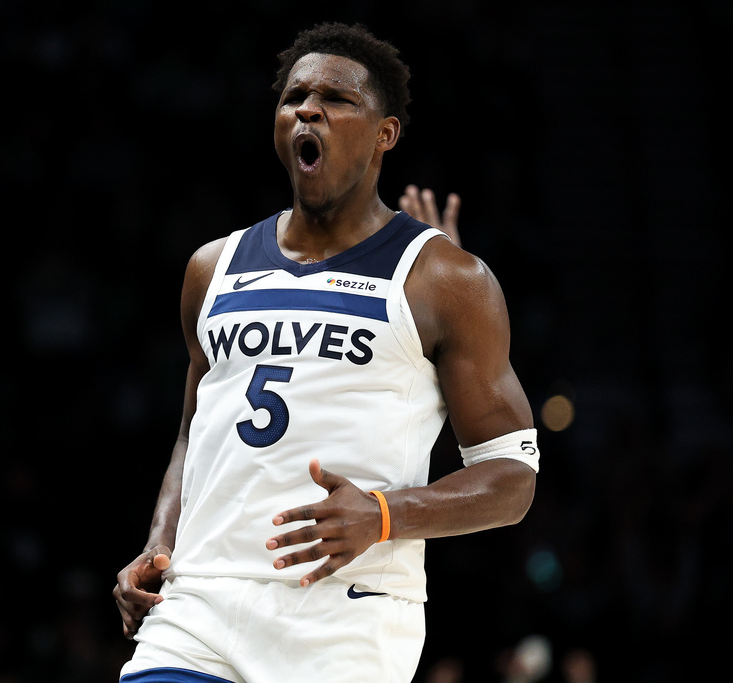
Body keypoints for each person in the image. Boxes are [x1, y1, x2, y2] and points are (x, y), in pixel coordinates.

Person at [114, 21, 539, 683]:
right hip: (199, 604)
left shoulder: (448, 281)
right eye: (294, 97)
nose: (308, 107)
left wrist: (387, 512)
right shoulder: (212, 267)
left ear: (384, 134)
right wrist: (162, 537)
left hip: (345, 616)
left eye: (336, 99)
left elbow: (512, 479)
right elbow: (192, 433)